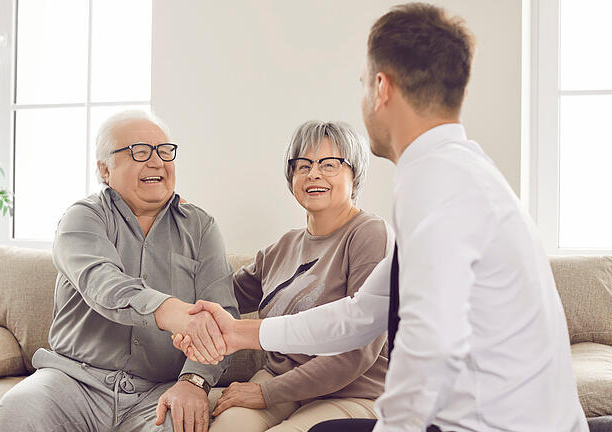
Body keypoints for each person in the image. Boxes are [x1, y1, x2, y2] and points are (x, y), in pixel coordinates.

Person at [173, 3, 589, 431]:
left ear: (381, 88)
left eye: (362, 86)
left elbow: (430, 348)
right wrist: (241, 333)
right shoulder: (458, 170)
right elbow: (360, 314)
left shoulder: (435, 181)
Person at [0, 109, 239, 432]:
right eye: (139, 152)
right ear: (105, 169)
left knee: (178, 426)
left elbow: (222, 314)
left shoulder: (201, 227)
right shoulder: (82, 218)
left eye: (164, 151)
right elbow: (103, 284)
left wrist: (193, 381)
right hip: (73, 382)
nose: (156, 162)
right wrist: (171, 311)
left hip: (158, 389)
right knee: (20, 409)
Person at [205, 120, 391, 432]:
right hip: (281, 380)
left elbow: (358, 351)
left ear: (354, 172)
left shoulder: (370, 234)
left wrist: (265, 393)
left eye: (329, 164)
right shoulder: (284, 246)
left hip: (351, 390)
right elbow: (219, 295)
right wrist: (185, 236)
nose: (313, 174)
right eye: (302, 165)